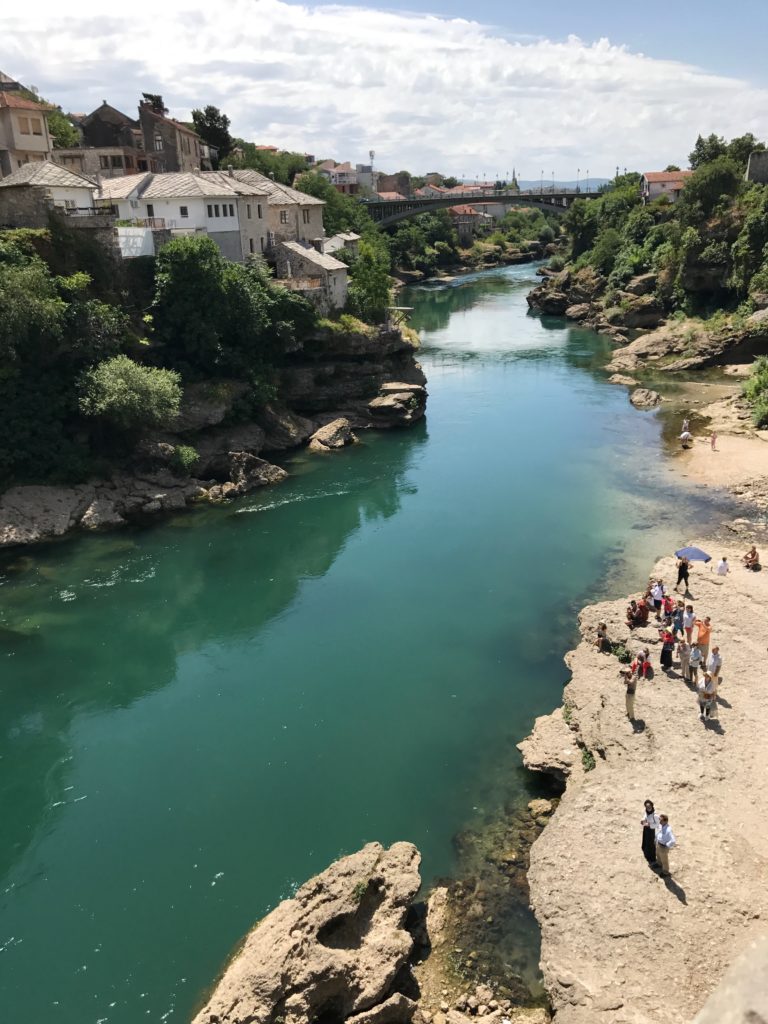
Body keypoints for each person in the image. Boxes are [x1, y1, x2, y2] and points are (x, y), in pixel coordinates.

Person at [640, 800, 660, 864]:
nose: (648, 808)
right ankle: (646, 852)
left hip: (651, 831)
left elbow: (657, 824)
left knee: (651, 844)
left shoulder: (655, 815)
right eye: (646, 806)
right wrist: (643, 820)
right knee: (646, 841)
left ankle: (652, 858)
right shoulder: (646, 811)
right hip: (646, 828)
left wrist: (650, 825)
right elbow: (645, 815)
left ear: (652, 805)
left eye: (649, 806)